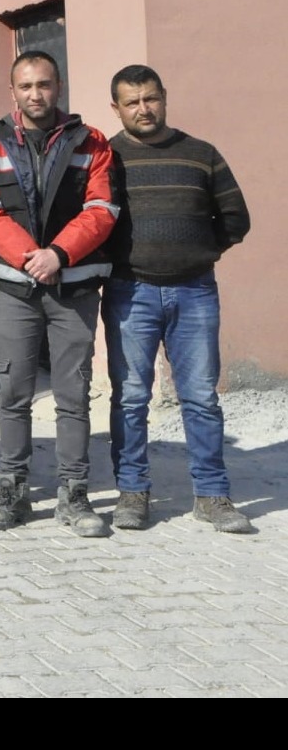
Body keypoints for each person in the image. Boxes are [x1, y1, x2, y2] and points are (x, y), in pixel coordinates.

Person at [0, 52, 117, 537]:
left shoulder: (92, 142)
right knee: (13, 393)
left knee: (73, 394)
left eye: (44, 84)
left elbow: (102, 209)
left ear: (59, 86)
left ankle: (74, 495)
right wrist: (30, 257)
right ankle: (12, 491)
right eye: (26, 86)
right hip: (14, 288)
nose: (36, 94)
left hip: (73, 287)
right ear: (13, 91)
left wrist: (58, 254)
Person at [104, 65, 253, 535]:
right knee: (131, 398)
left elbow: (236, 218)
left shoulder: (201, 154)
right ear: (116, 108)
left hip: (195, 291)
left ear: (164, 97)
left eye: (151, 98)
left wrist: (200, 251)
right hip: (130, 292)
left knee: (201, 397)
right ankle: (132, 493)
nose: (143, 109)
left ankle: (211, 495)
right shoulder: (106, 158)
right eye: (132, 102)